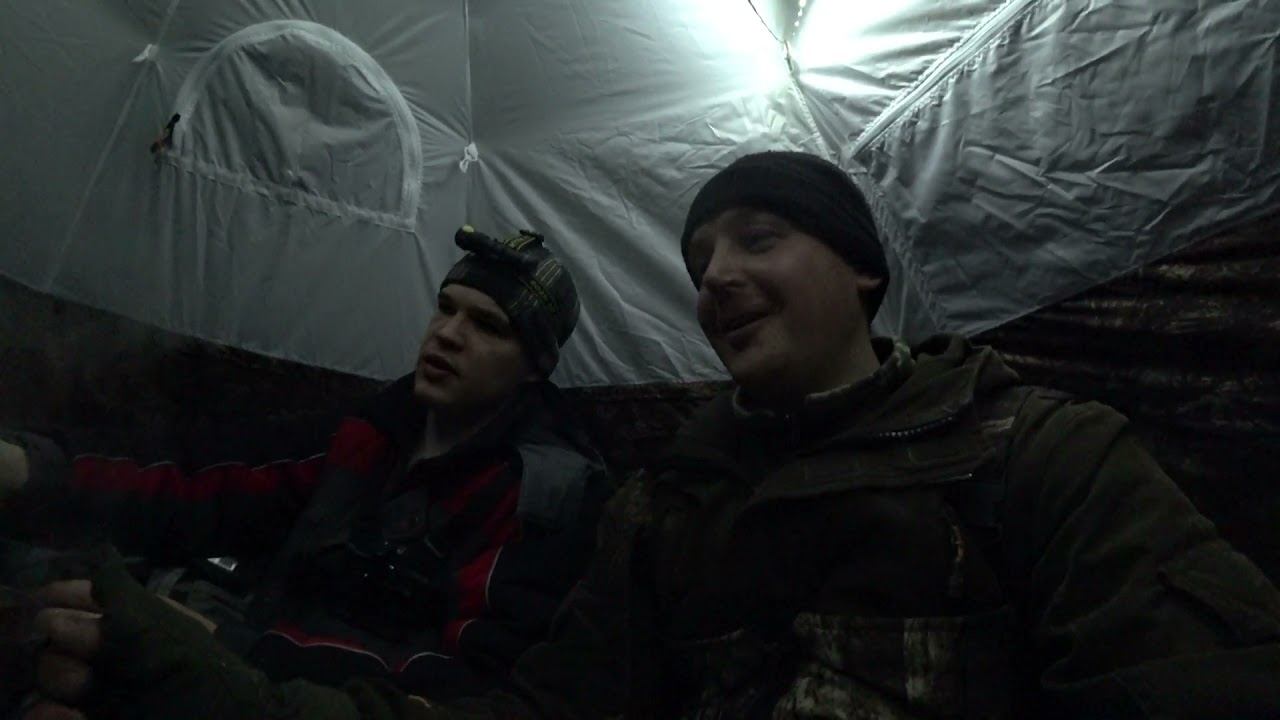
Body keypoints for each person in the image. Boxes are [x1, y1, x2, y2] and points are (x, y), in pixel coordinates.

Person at [15, 153, 1280, 719]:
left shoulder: (1037, 455)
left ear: (861, 272)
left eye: (757, 238)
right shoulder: (671, 508)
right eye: (698, 259)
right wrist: (175, 660)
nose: (715, 276)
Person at [0, 226, 612, 715]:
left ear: (534, 366)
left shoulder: (543, 497)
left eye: (487, 327)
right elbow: (211, 484)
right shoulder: (377, 431)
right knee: (57, 621)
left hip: (318, 699)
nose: (448, 335)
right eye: (446, 309)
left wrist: (233, 649)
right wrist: (35, 470)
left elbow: (470, 681)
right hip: (248, 661)